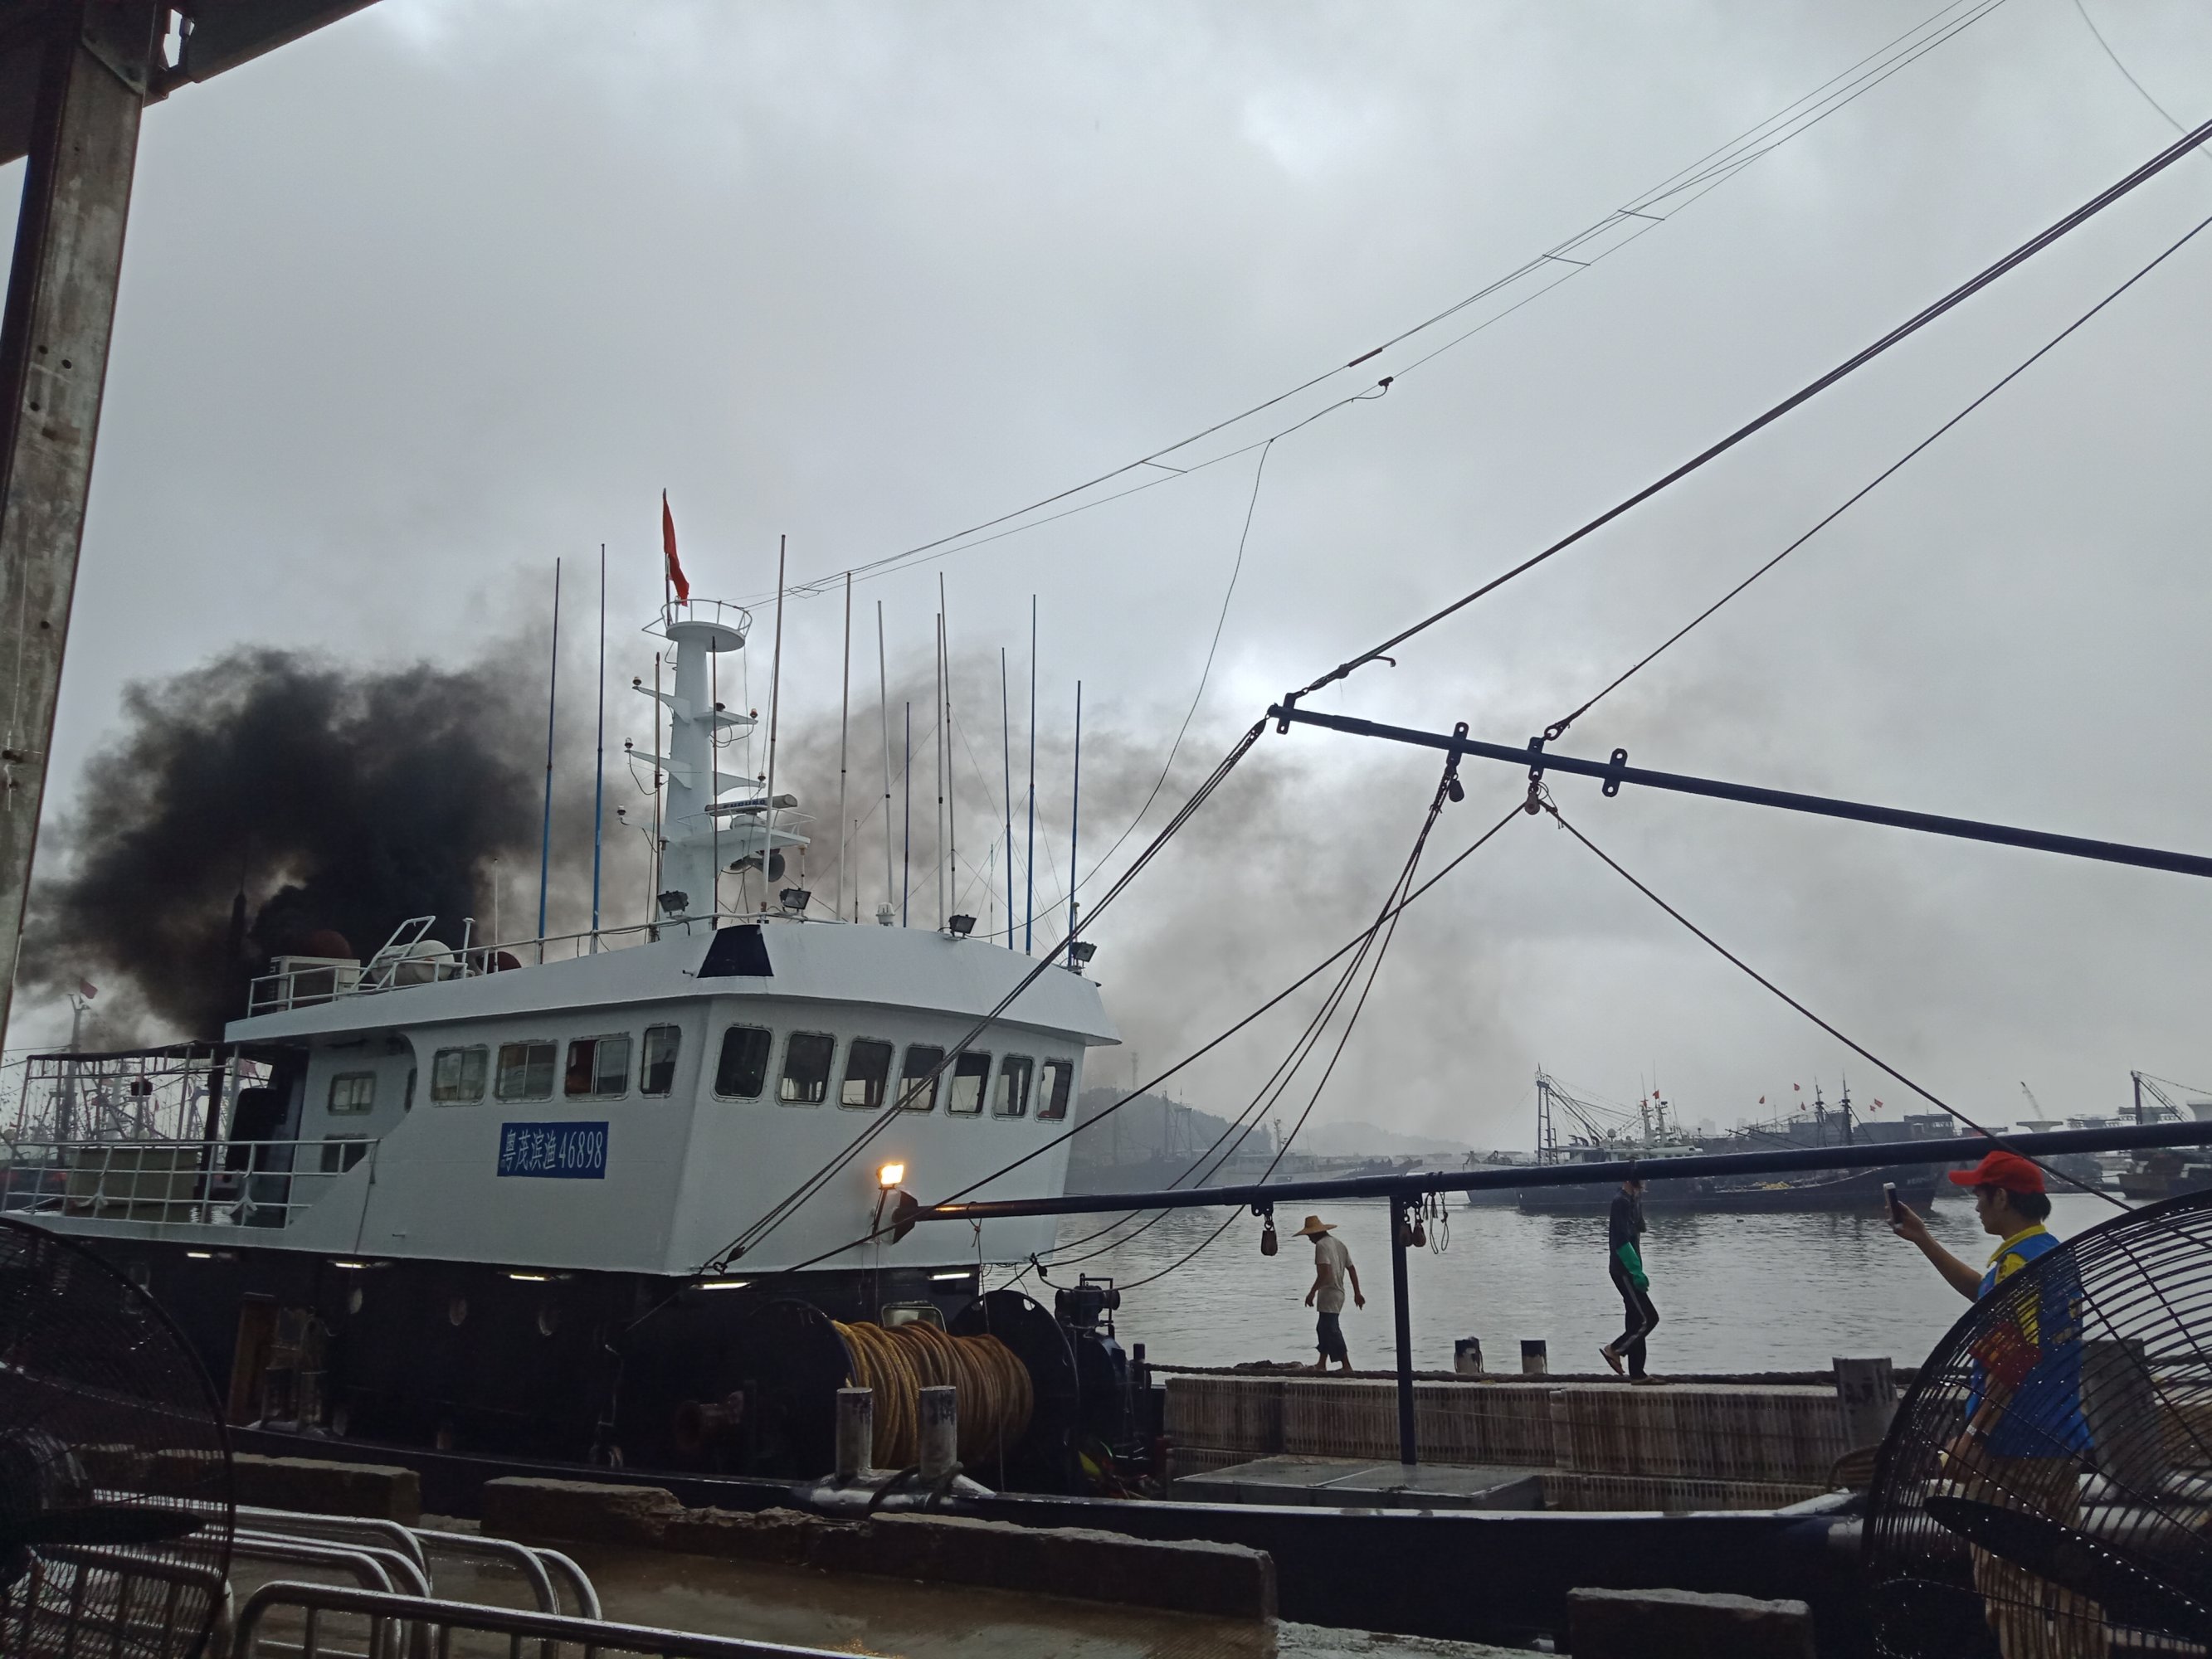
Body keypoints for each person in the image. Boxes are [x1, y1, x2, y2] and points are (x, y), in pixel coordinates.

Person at [1888, 1149, 2103, 1659]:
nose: (1976, 1206)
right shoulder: (2049, 1254)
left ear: (2002, 1198)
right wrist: (1924, 1240)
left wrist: (1974, 1435)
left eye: (1980, 1196)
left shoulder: (2015, 1263)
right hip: (2060, 1438)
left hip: (2011, 1447)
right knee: (2068, 1574)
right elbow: (1987, 1298)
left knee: (2008, 1583)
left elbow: (2013, 1359)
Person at [1599, 1176, 1659, 1381]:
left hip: (1630, 1268)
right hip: (1624, 1270)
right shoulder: (1621, 1202)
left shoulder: (1632, 1199)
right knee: (1648, 1318)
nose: (1645, 1182)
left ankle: (1637, 1373)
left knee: (1635, 1319)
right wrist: (1635, 1271)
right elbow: (1621, 1241)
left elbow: (1638, 1228)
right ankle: (1614, 1349)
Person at [1294, 1214, 1364, 1372]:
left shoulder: (1321, 1245)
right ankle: (1321, 1363)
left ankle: (1346, 1366)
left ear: (1315, 1233)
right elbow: (1351, 1268)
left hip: (1329, 1293)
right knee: (1323, 1328)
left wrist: (1312, 1292)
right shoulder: (1339, 1243)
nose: (1309, 1239)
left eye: (1309, 1235)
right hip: (1339, 1293)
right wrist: (1357, 1293)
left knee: (1331, 1329)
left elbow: (1324, 1273)